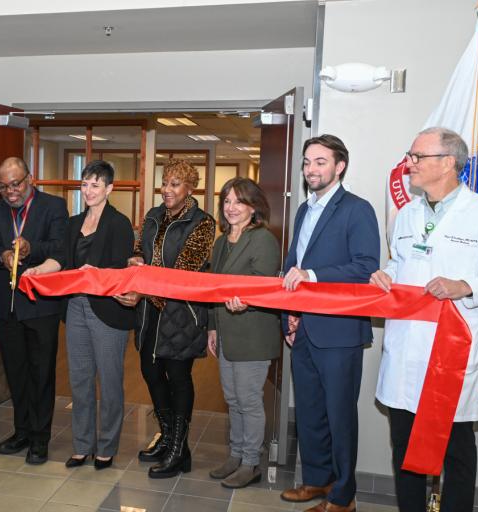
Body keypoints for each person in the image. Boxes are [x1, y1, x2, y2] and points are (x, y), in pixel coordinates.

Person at [370, 128, 478, 512]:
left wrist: (466, 285)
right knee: (405, 448)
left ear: (447, 163)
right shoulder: (406, 214)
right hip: (405, 349)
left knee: (455, 453)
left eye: (417, 156)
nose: (409, 163)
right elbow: (401, 263)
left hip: (451, 355)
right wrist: (387, 274)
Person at [279, 134, 379, 512]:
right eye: (307, 162)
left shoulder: (357, 209)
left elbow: (366, 267)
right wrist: (290, 310)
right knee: (308, 411)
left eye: (320, 162)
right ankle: (317, 481)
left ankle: (343, 496)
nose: (310, 169)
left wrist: (313, 275)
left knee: (339, 416)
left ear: (340, 166)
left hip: (339, 331)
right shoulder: (305, 210)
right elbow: (292, 266)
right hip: (303, 328)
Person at [23, 160, 136, 470]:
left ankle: (107, 447)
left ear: (109, 189)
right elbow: (60, 261)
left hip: (108, 311)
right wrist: (37, 270)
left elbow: (121, 271)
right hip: (76, 308)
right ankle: (82, 445)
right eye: (85, 184)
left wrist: (95, 273)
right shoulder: (73, 223)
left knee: (110, 382)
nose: (88, 191)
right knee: (80, 380)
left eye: (95, 185)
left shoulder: (119, 224)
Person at [116, 159, 216, 479]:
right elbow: (139, 252)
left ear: (189, 188)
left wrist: (145, 283)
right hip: (149, 313)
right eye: (165, 182)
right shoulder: (152, 216)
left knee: (178, 377)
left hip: (182, 313)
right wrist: (135, 261)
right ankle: (173, 441)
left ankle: (177, 450)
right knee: (150, 371)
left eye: (175, 184)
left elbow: (184, 271)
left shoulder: (202, 223)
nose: (167, 189)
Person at [0, 157, 68, 465]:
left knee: (41, 374)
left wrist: (31, 248)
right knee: (16, 374)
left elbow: (61, 248)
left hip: (41, 307)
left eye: (16, 184)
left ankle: (40, 439)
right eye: (4, 186)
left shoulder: (53, 207)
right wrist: (3, 254)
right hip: (9, 308)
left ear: (29, 178)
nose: (11, 192)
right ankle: (21, 432)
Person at [205, 177, 282, 489]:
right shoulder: (222, 242)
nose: (231, 207)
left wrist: (244, 303)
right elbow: (212, 288)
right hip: (224, 331)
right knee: (232, 398)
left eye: (238, 201)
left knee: (248, 400)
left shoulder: (263, 239)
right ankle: (236, 455)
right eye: (226, 201)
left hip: (252, 334)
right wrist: (212, 326)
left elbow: (262, 286)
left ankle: (251, 463)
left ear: (254, 207)